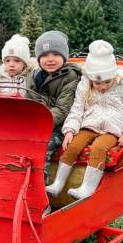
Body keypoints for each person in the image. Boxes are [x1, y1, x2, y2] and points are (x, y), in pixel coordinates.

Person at [46, 40, 123, 200]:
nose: (102, 87)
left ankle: (87, 188)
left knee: (99, 148)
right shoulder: (85, 86)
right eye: (97, 83)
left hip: (112, 129)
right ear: (90, 78)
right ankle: (58, 184)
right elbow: (77, 109)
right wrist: (70, 130)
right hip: (89, 125)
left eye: (107, 82)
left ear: (113, 76)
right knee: (73, 145)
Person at [26, 30, 82, 180]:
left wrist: (40, 123)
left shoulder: (71, 76)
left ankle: (40, 188)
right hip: (37, 123)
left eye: (56, 54)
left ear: (64, 56)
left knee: (43, 146)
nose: (50, 59)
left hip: (59, 127)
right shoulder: (33, 76)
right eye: (44, 55)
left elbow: (63, 109)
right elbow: (29, 103)